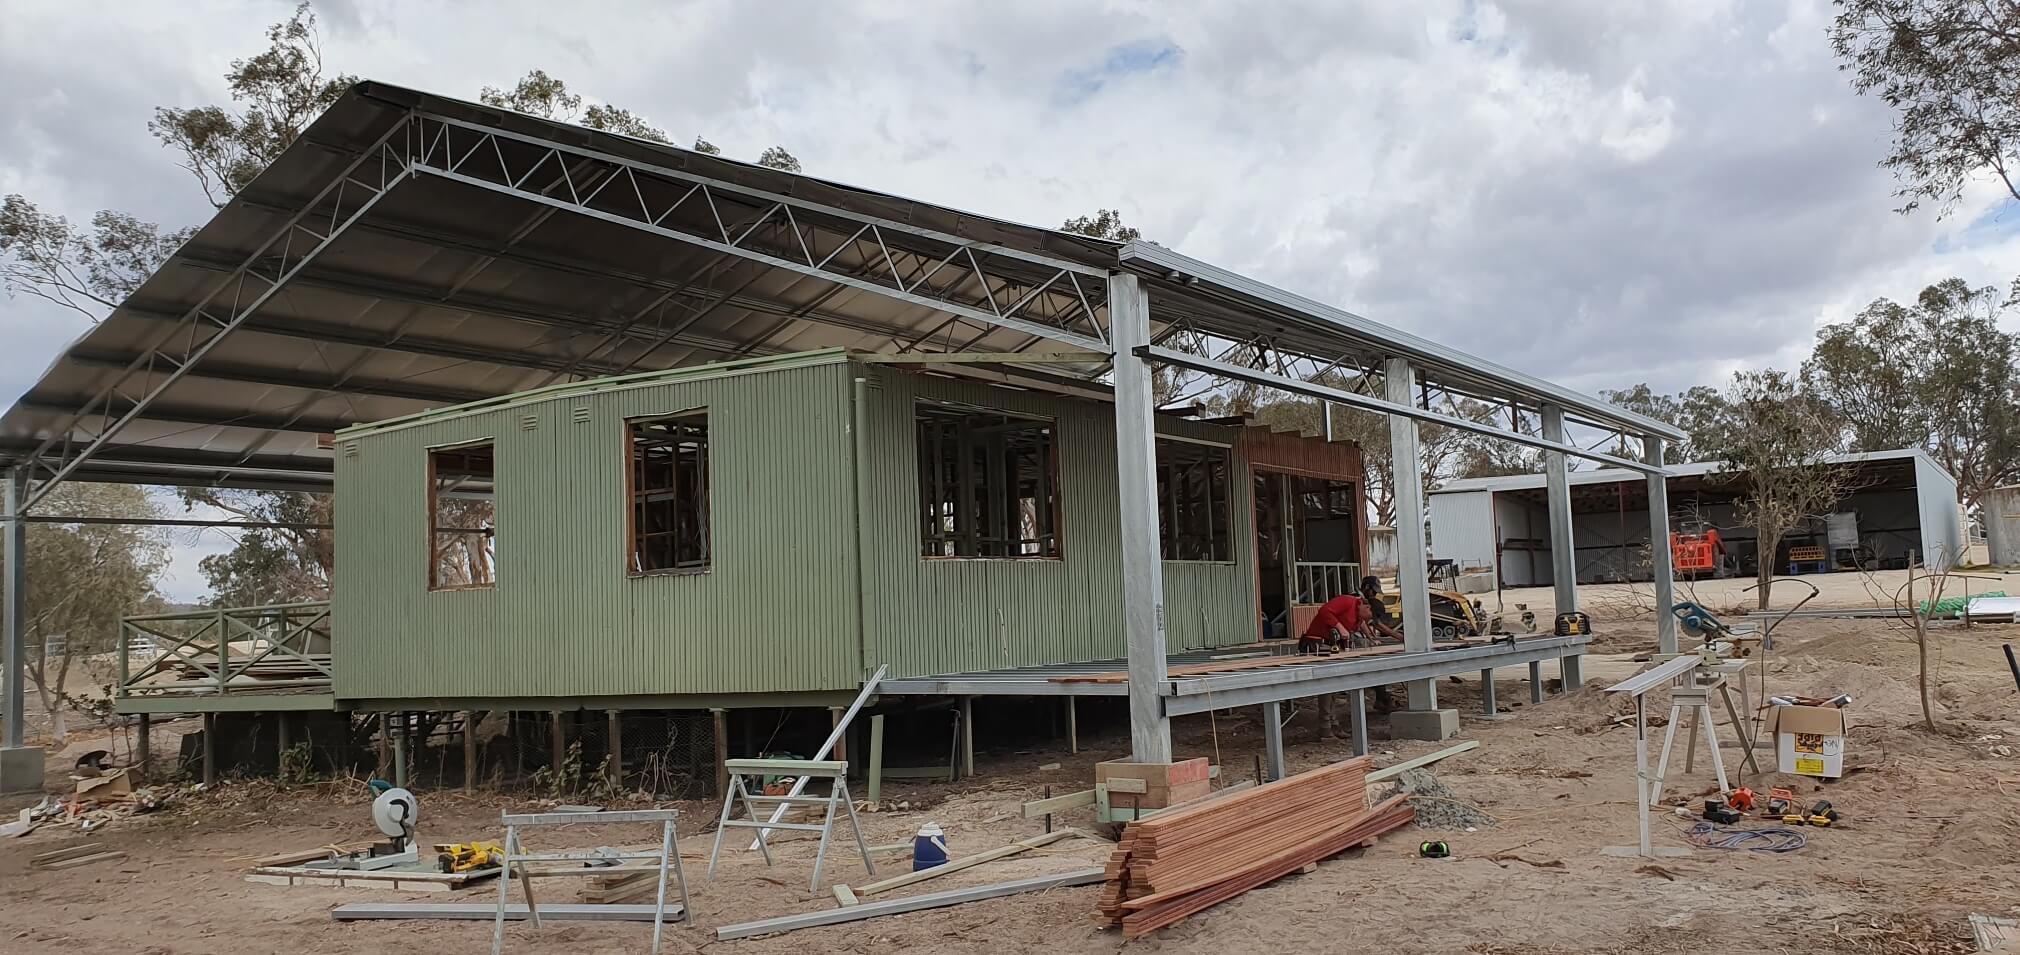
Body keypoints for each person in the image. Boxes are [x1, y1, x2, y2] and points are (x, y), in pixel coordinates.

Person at [1298, 591, 1373, 653]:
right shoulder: (1348, 601)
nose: (1366, 620)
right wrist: (1341, 628)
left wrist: (1371, 638)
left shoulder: (1359, 615)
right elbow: (1324, 611)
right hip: (1315, 644)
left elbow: (1362, 624)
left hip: (1332, 646)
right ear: (1367, 607)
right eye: (1369, 617)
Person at [1357, 575, 1404, 644]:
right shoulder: (1358, 600)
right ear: (1367, 587)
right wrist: (1399, 636)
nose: (1375, 594)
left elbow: (1365, 622)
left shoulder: (1362, 599)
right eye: (1374, 591)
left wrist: (1373, 636)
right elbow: (1377, 624)